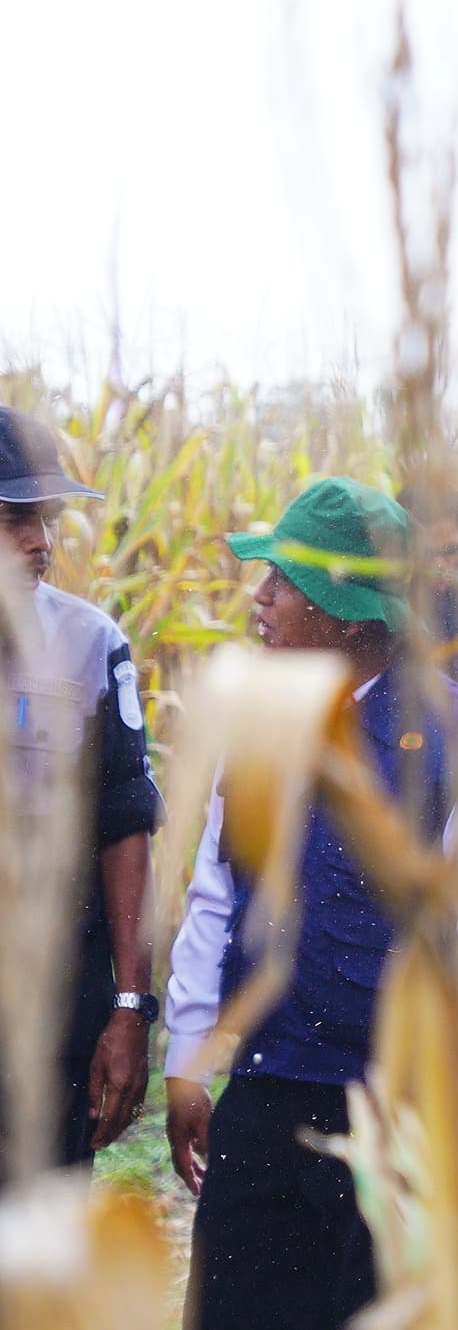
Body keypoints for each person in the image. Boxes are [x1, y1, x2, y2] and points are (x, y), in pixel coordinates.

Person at [163, 478, 458, 1330]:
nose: (259, 599)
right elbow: (214, 896)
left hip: (401, 1114)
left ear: (337, 606)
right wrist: (192, 1059)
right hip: (271, 1097)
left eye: (277, 581)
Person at [0, 405, 158, 1170]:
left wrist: (131, 1008)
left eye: (48, 519)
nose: (42, 541)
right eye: (14, 519)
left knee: (39, 1261)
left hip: (52, 1014)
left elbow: (123, 823)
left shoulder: (90, 643)